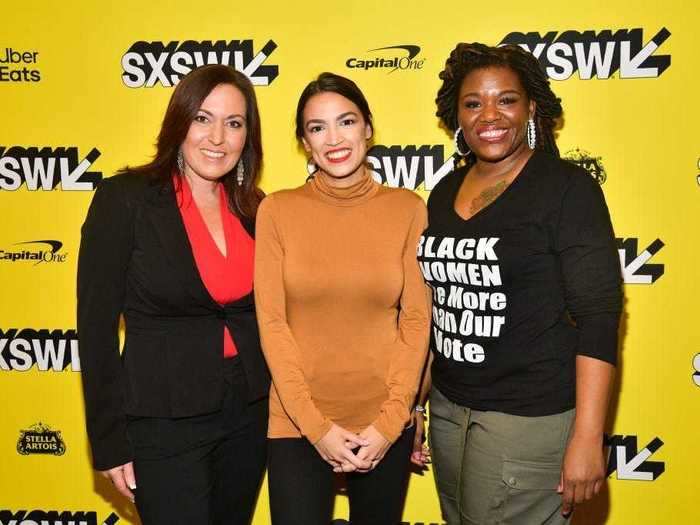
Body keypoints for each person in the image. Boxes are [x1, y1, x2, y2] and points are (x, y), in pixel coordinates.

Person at [412, 43, 622, 524]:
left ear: (530, 107)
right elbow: (439, 309)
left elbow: (598, 317)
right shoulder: (444, 190)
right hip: (449, 412)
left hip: (529, 421)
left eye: (505, 100)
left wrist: (589, 437)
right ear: (456, 115)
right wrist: (416, 404)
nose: (490, 115)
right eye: (473, 103)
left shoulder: (567, 189)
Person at [77, 64, 270, 525]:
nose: (217, 137)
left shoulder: (255, 208)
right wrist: (109, 443)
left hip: (248, 414)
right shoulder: (126, 198)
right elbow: (96, 329)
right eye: (203, 118)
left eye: (234, 123)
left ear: (248, 136)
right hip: (162, 423)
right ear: (178, 122)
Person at [254, 72, 431, 525]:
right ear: (304, 142)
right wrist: (316, 428)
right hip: (296, 424)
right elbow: (272, 323)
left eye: (346, 121)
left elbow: (416, 320)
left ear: (368, 128)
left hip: (383, 425)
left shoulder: (408, 209)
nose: (334, 138)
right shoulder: (277, 210)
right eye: (317, 128)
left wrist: (392, 423)